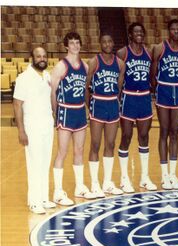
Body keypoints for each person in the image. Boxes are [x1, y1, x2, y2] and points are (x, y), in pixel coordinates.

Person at [51, 32, 95, 205]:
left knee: (79, 150)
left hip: (79, 112)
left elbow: (85, 90)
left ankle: (80, 186)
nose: (76, 45)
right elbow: (52, 91)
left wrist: (87, 108)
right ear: (66, 46)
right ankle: (58, 191)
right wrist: (55, 112)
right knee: (62, 151)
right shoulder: (61, 66)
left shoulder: (84, 66)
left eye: (78, 42)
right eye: (72, 43)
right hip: (66, 111)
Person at [13, 47, 56, 213]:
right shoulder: (24, 78)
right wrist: (21, 131)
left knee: (45, 162)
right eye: (38, 56)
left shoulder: (46, 76)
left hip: (47, 124)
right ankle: (34, 201)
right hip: (32, 125)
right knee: (34, 162)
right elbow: (17, 105)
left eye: (44, 56)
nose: (42, 59)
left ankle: (44, 197)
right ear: (32, 58)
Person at [117, 22, 156, 192]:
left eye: (141, 31)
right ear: (130, 35)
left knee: (144, 136)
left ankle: (144, 178)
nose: (139, 34)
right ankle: (124, 178)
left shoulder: (148, 53)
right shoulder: (123, 53)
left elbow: (152, 76)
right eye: (136, 32)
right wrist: (117, 99)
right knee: (126, 136)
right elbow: (118, 78)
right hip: (128, 97)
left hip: (145, 97)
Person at [152, 19, 178, 189]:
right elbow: (152, 75)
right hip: (164, 92)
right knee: (164, 132)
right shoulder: (160, 48)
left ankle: (173, 174)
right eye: (172, 29)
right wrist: (157, 91)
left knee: (175, 133)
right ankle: (164, 174)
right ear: (168, 31)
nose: (175, 32)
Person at [85, 33, 125, 197]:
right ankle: (95, 183)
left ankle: (107, 182)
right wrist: (90, 106)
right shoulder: (94, 62)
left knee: (110, 144)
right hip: (98, 104)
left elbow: (120, 88)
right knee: (95, 144)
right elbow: (86, 86)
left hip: (112, 105)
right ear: (100, 44)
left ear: (113, 43)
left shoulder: (120, 64)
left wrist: (116, 103)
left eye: (110, 41)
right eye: (104, 42)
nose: (107, 44)